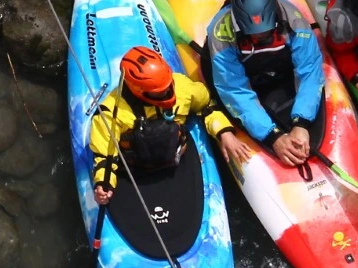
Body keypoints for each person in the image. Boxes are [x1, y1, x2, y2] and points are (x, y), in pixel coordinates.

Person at [89, 46, 244, 207]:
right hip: (136, 166)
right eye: (159, 92)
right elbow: (105, 156)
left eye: (168, 86)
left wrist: (224, 132)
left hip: (176, 156)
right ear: (139, 90)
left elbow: (207, 106)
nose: (167, 93)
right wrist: (103, 183)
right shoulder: (110, 112)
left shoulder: (182, 86)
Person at [205, 0, 327, 167]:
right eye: (253, 33)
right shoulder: (221, 34)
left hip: (281, 69)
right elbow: (234, 89)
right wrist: (273, 136)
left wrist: (301, 123)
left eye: (264, 32)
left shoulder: (294, 20)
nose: (259, 36)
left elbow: (309, 70)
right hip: (248, 77)